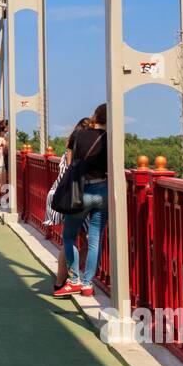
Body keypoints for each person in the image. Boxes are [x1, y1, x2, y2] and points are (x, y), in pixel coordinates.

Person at [61, 105, 108, 297]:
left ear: (95, 115)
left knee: (69, 235)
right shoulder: (111, 139)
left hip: (81, 190)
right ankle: (88, 284)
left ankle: (74, 280)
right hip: (103, 190)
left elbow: (72, 161)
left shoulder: (81, 135)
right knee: (95, 239)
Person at [53, 117, 93, 296]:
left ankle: (66, 279)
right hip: (76, 197)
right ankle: (72, 278)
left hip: (68, 197)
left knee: (71, 238)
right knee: (77, 238)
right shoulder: (80, 150)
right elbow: (73, 172)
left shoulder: (70, 147)